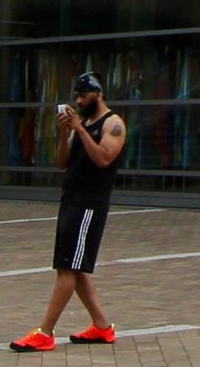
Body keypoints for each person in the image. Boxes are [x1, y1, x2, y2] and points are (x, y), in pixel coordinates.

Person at [10, 72, 126, 351]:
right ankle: (101, 327)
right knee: (76, 266)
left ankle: (45, 332)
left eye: (83, 95)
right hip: (71, 199)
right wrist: (65, 133)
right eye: (76, 96)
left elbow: (104, 158)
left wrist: (81, 129)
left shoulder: (113, 124)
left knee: (67, 267)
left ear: (98, 93)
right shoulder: (81, 124)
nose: (78, 101)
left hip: (90, 204)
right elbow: (63, 161)